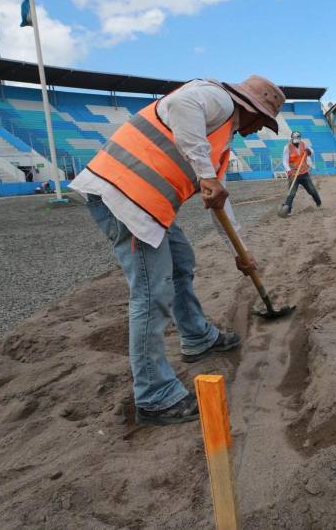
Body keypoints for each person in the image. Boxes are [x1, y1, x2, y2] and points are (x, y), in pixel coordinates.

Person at [70, 75, 285, 426]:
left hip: (147, 205)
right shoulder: (218, 99)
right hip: (124, 196)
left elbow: (221, 206)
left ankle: (197, 337)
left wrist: (241, 253)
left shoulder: (222, 141)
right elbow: (181, 105)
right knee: (152, 293)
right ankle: (154, 396)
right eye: (262, 122)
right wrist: (205, 174)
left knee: (182, 261)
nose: (260, 131)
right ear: (251, 109)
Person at [281, 130, 322, 215]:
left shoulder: (303, 144)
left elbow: (311, 151)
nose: (297, 142)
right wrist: (288, 171)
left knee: (312, 190)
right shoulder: (287, 147)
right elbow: (284, 161)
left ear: (300, 139)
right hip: (293, 174)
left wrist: (308, 151)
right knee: (291, 193)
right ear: (292, 139)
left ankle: (319, 203)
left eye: (298, 140)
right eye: (295, 140)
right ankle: (287, 210)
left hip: (304, 173)